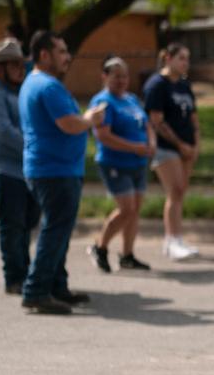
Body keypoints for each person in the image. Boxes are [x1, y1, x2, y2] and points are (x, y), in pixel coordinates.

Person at [19, 30, 104, 315]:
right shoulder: (47, 86)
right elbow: (69, 124)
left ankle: (56, 286)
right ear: (44, 54)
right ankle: (37, 291)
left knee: (59, 231)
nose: (68, 57)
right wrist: (90, 119)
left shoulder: (35, 83)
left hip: (51, 168)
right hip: (55, 170)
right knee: (55, 231)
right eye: (62, 51)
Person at [0, 37, 40, 295]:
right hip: (7, 171)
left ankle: (25, 270)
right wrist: (35, 146)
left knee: (27, 222)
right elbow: (4, 134)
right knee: (12, 225)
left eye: (20, 63)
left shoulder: (23, 94)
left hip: (28, 171)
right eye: (13, 64)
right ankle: (14, 277)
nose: (19, 68)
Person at [86, 56, 155, 273]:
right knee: (126, 209)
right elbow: (103, 136)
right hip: (115, 162)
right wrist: (134, 147)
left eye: (124, 76)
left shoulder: (132, 99)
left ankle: (127, 255)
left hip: (138, 163)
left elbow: (147, 125)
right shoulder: (102, 102)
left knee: (135, 211)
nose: (122, 81)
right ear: (104, 77)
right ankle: (100, 247)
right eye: (116, 76)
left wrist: (151, 143)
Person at [144, 42, 200, 260]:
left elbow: (194, 117)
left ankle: (177, 238)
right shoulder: (157, 85)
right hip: (167, 147)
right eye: (181, 58)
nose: (186, 63)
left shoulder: (185, 85)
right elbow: (156, 121)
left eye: (187, 58)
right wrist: (180, 145)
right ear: (168, 58)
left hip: (187, 146)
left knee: (180, 192)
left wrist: (195, 143)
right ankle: (171, 239)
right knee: (174, 190)